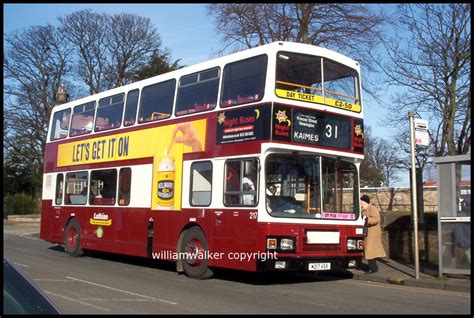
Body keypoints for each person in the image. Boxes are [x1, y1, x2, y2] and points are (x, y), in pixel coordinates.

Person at [360, 194, 386, 274]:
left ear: (366, 203)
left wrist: (367, 220)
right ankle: (373, 268)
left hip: (372, 233)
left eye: (362, 203)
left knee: (370, 251)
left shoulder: (372, 208)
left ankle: (373, 269)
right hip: (367, 233)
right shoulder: (364, 210)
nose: (361, 205)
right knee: (369, 252)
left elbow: (377, 219)